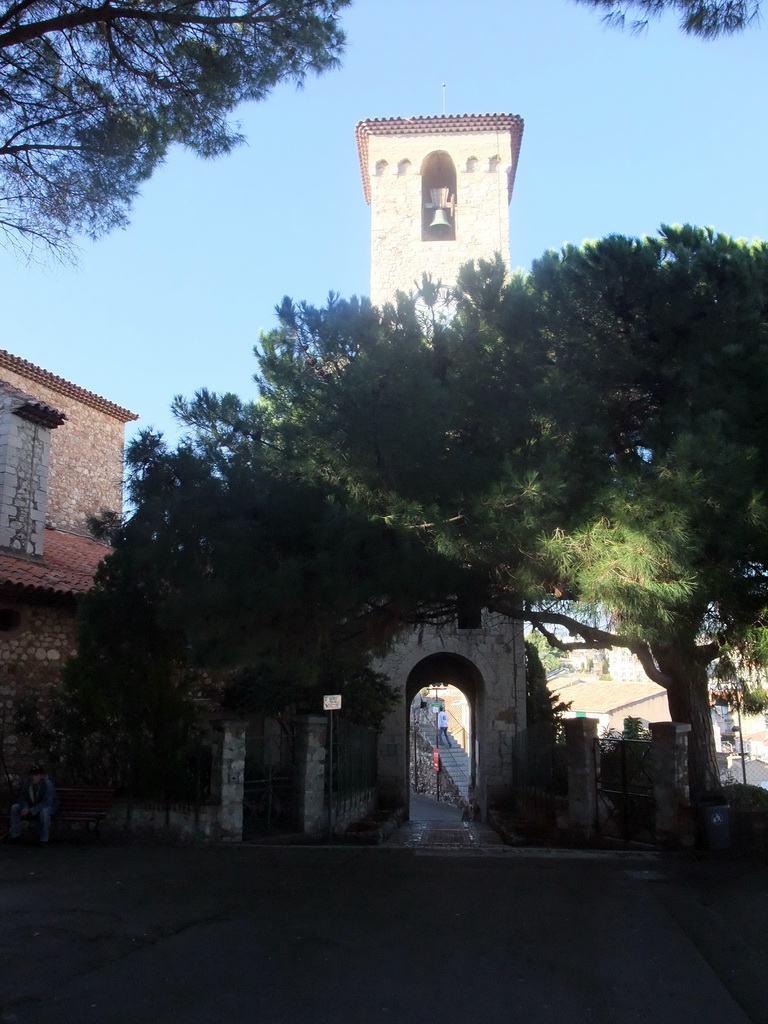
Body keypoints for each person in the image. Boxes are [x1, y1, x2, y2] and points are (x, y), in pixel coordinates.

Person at [8, 764, 58, 844]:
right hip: (31, 806)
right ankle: (15, 835)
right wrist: (25, 807)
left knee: (44, 812)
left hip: (47, 807)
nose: (33, 777)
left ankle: (44, 839)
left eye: (36, 774)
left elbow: (47, 802)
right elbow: (22, 797)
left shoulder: (47, 784)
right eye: (32, 774)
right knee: (14, 807)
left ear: (41, 776)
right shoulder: (27, 783)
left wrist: (32, 810)